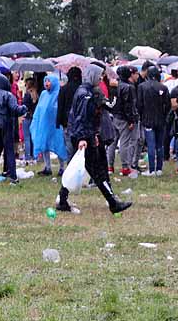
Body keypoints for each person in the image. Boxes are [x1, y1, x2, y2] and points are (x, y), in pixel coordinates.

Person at [56, 64, 133, 215]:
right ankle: (112, 202)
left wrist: (93, 135)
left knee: (81, 168)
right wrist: (84, 138)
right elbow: (82, 118)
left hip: (85, 135)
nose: (100, 78)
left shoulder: (88, 91)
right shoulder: (86, 94)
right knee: (96, 171)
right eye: (98, 75)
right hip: (83, 137)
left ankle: (63, 199)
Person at [0, 69, 28, 183]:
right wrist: (25, 108)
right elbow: (15, 109)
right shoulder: (8, 95)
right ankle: (12, 176)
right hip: (5, 124)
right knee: (9, 150)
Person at [31, 73, 68, 176]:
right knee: (44, 144)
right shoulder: (43, 94)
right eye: (45, 81)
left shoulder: (59, 93)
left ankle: (62, 168)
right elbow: (39, 108)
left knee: (59, 144)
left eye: (49, 81)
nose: (47, 83)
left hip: (56, 125)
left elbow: (59, 108)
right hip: (44, 124)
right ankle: (47, 167)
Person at [109, 65, 140, 177]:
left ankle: (110, 166)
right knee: (124, 142)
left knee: (112, 142)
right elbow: (129, 105)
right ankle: (125, 167)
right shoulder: (129, 87)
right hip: (124, 118)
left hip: (114, 116)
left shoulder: (114, 86)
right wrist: (131, 120)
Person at [138, 66, 169, 176]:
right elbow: (168, 105)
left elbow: (139, 104)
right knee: (160, 145)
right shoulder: (163, 88)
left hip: (147, 119)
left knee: (151, 145)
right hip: (160, 119)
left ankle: (151, 169)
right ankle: (159, 168)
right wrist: (164, 115)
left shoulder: (142, 87)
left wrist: (142, 116)